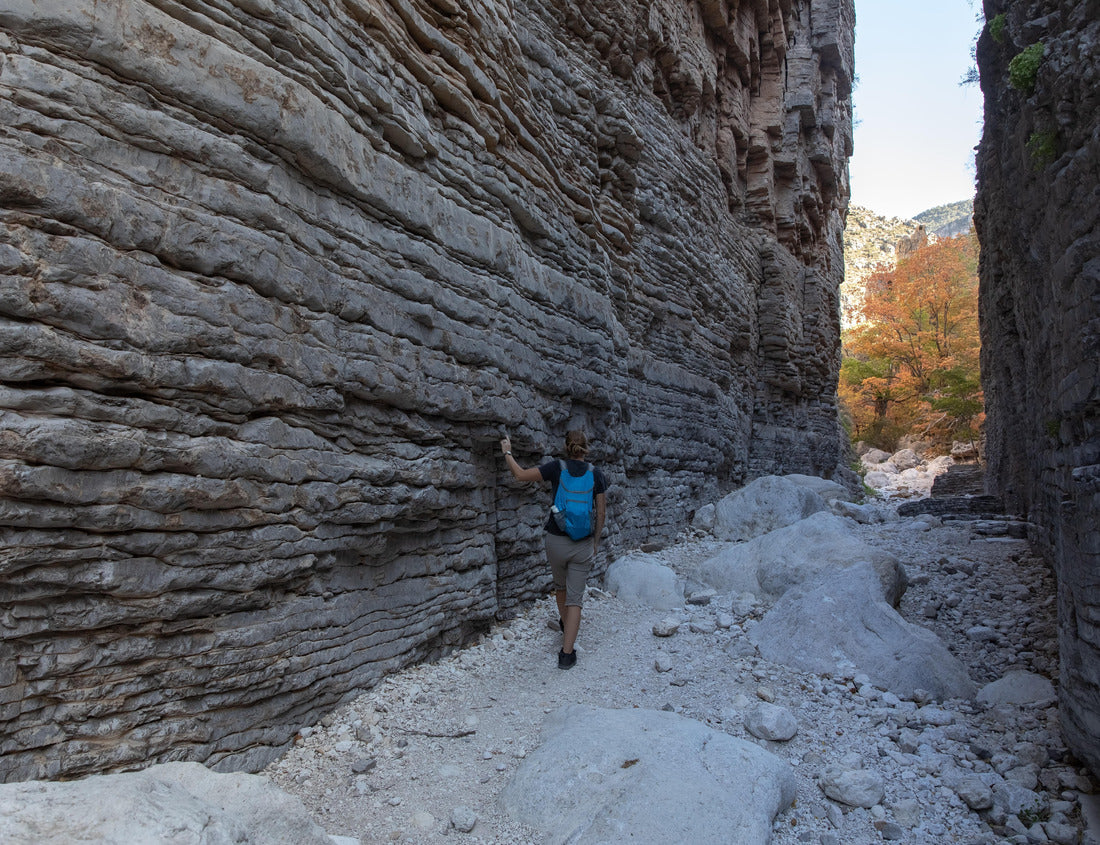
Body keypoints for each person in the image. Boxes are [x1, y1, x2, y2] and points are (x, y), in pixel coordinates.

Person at [500, 430, 608, 669]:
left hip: (556, 541)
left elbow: (520, 475)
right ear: (586, 448)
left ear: (566, 447)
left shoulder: (556, 468)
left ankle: (565, 625)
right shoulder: (596, 473)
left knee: (561, 587)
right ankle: (566, 655)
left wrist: (507, 452)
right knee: (575, 599)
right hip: (582, 544)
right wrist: (595, 541)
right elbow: (601, 512)